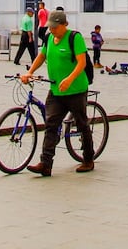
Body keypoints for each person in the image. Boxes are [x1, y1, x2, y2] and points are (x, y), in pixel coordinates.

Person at [21, 10, 95, 176]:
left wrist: (69, 79)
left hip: (75, 90)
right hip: (56, 91)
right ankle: (45, 164)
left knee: (82, 124)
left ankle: (88, 159)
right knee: (51, 125)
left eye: (55, 27)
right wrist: (30, 72)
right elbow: (41, 57)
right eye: (50, 27)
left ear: (64, 25)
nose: (52, 30)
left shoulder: (74, 38)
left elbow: (81, 63)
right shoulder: (49, 38)